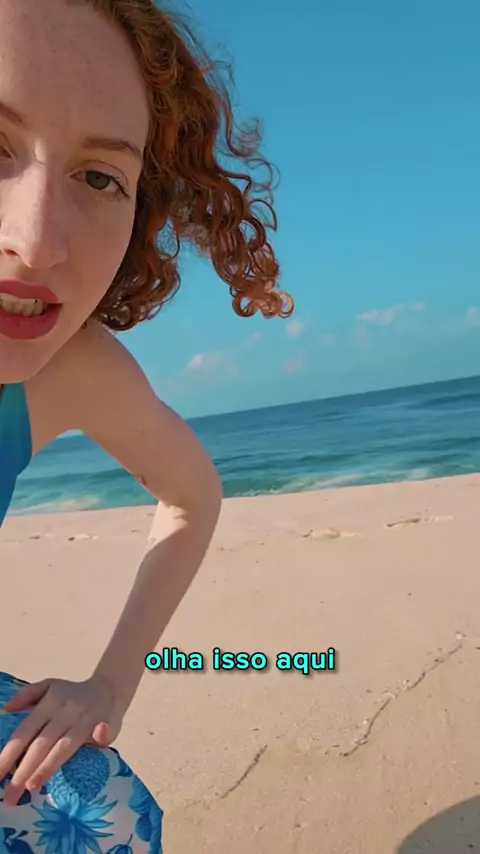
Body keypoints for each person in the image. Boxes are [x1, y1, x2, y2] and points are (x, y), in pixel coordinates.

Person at [0, 0, 293, 849]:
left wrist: (110, 687)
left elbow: (192, 493)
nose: (38, 243)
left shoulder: (67, 371)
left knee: (108, 814)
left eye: (100, 178)